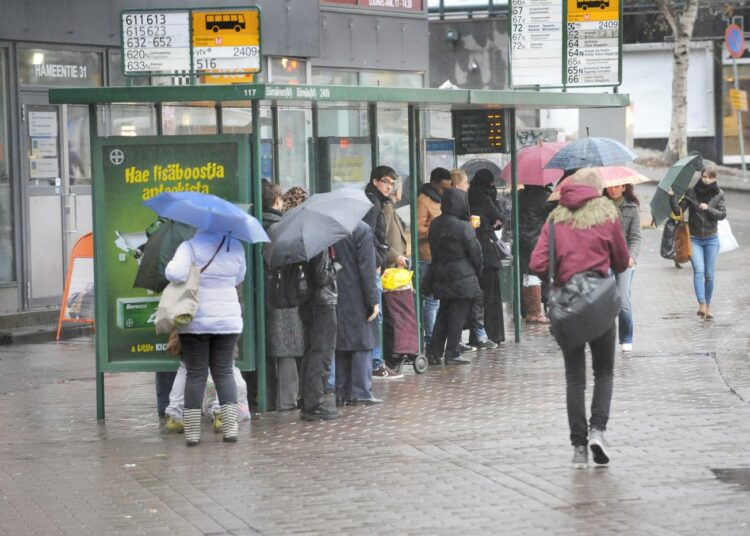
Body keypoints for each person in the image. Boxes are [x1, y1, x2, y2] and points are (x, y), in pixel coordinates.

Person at [529, 168, 629, 468]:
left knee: (575, 378)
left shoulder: (555, 220)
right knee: (604, 373)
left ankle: (579, 449)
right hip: (599, 302)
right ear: (597, 189)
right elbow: (622, 261)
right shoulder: (608, 216)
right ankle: (598, 431)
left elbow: (537, 263)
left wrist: (561, 270)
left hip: (566, 307)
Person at [165, 230, 247, 446]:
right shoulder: (236, 246)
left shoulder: (189, 247)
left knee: (195, 374)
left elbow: (174, 273)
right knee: (224, 371)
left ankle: (192, 434)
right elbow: (240, 276)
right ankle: (230, 429)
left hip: (196, 320)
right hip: (228, 320)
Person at [427, 189, 483, 366]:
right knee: (458, 315)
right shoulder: (463, 226)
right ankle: (452, 352)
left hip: (441, 274)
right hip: (462, 276)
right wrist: (476, 272)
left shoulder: (435, 224)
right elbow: (476, 254)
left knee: (443, 314)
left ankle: (434, 352)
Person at [262, 182, 305, 410]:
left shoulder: (254, 225)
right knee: (287, 349)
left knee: (273, 351)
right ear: (277, 201)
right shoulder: (282, 228)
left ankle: (267, 399)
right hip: (282, 296)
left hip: (264, 297)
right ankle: (286, 401)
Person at [668, 162, 726, 320]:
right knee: (699, 271)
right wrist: (672, 195)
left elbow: (722, 214)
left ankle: (708, 306)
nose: (706, 180)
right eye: (704, 176)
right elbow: (678, 210)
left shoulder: (719, 194)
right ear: (701, 175)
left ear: (715, 178)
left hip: (712, 239)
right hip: (694, 238)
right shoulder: (691, 192)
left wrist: (708, 208)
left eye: (710, 177)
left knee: (709, 275)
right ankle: (701, 304)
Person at [334, 221, 382, 406]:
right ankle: (361, 391)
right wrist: (373, 300)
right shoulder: (362, 229)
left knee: (342, 343)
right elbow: (367, 268)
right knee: (363, 341)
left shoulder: (331, 230)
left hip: (336, 292)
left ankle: (342, 391)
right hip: (357, 294)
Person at [364, 166, 404, 380]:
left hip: (375, 264)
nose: (390, 186)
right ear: (375, 181)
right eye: (386, 182)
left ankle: (375, 361)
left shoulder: (379, 202)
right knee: (375, 315)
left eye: (392, 183)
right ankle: (376, 363)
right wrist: (378, 261)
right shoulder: (373, 204)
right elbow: (370, 237)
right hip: (373, 267)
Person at [451, 168, 497, 350]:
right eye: (465, 183)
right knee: (463, 301)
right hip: (461, 260)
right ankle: (461, 341)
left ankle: (476, 336)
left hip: (464, 258)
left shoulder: (463, 202)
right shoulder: (455, 206)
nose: (468, 186)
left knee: (472, 298)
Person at [417, 167, 453, 354]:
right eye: (443, 188)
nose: (445, 192)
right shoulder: (424, 201)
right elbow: (418, 229)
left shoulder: (439, 200)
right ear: (434, 184)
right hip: (427, 255)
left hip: (440, 253)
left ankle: (437, 337)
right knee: (431, 301)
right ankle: (430, 338)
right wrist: (438, 228)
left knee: (438, 301)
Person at [468, 169, 506, 344]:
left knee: (475, 296)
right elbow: (500, 217)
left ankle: (475, 335)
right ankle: (492, 334)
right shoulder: (485, 197)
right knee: (491, 296)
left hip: (470, 252)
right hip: (487, 252)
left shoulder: (467, 197)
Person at [604, 183, 642, 351]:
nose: (613, 190)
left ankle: (626, 338)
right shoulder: (598, 207)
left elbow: (636, 237)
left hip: (624, 260)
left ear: (624, 188)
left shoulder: (632, 208)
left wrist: (632, 257)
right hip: (604, 259)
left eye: (617, 187)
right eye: (610, 187)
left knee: (623, 300)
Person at [519, 184, 553, 324]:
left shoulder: (520, 195)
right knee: (535, 274)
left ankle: (530, 312)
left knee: (527, 274)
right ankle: (536, 313)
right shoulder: (544, 198)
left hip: (522, 240)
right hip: (537, 240)